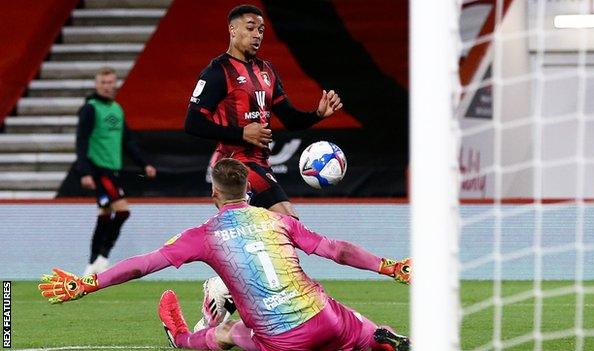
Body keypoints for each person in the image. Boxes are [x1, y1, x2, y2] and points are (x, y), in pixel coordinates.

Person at [39, 158, 411, 351]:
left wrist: (88, 282)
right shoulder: (276, 221)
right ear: (249, 189)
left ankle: (182, 339)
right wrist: (389, 266)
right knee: (363, 330)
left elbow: (142, 265)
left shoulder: (203, 235)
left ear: (214, 195)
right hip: (324, 317)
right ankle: (383, 339)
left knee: (230, 332)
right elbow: (338, 250)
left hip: (282, 340)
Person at [184, 4, 343, 219]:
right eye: (250, 28)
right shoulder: (217, 72)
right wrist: (241, 133)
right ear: (232, 30)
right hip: (234, 163)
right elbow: (193, 123)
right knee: (288, 221)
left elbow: (290, 119)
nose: (257, 35)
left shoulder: (267, 70)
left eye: (261, 30)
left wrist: (317, 114)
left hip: (260, 162)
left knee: (261, 233)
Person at [75, 66, 157, 275]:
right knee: (122, 211)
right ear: (97, 84)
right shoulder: (90, 109)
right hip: (98, 169)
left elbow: (128, 141)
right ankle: (102, 257)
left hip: (113, 170)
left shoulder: (117, 109)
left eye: (111, 82)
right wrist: (84, 172)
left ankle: (92, 264)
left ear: (115, 84)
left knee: (105, 213)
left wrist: (143, 163)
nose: (107, 87)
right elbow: (81, 141)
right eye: (103, 83)